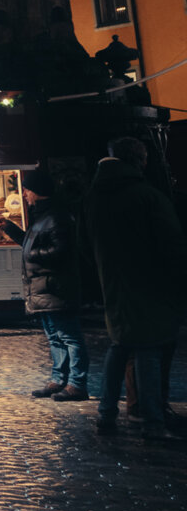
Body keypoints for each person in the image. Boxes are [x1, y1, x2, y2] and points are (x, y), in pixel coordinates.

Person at [83, 137, 187, 441]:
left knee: (120, 346)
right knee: (149, 349)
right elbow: (171, 245)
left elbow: (84, 246)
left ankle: (106, 414)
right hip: (150, 284)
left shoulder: (93, 196)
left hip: (113, 284)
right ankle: (152, 421)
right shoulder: (147, 196)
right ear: (140, 160)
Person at [0, 167, 87, 401]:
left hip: (56, 289)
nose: (24, 194)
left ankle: (77, 384)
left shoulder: (57, 216)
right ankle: (59, 380)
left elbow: (62, 251)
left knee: (69, 337)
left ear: (37, 191)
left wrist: (32, 254)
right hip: (44, 289)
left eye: (27, 189)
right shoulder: (41, 216)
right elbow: (33, 246)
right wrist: (10, 229)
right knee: (55, 337)